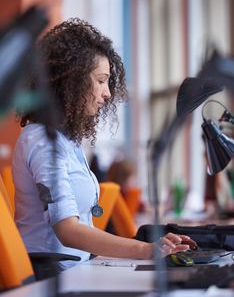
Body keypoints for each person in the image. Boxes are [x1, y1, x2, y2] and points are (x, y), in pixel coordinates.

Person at [12, 18, 197, 272]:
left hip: (79, 268)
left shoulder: (67, 141)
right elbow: (68, 230)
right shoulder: (42, 141)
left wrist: (149, 243)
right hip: (53, 276)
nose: (108, 93)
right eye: (101, 80)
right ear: (72, 82)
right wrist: (145, 250)